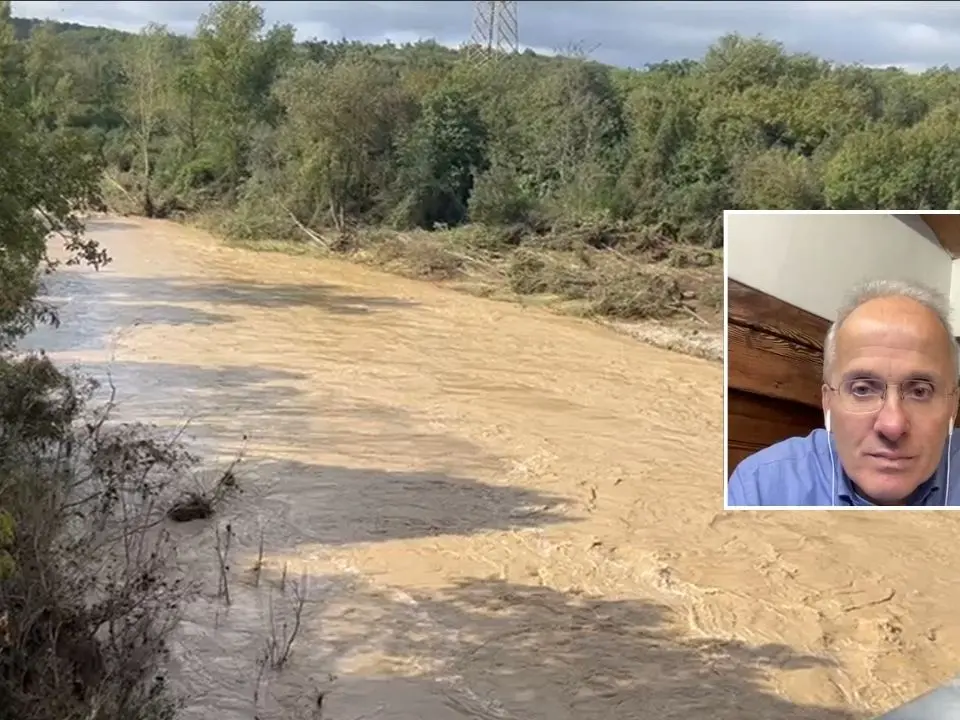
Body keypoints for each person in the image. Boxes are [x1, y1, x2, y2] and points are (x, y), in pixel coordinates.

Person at [727, 278, 960, 507]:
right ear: (827, 401)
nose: (893, 426)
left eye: (920, 391)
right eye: (862, 390)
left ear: (953, 405)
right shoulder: (761, 487)